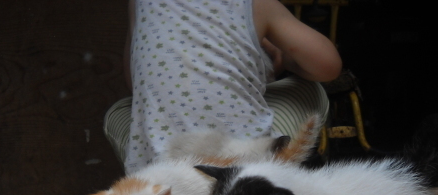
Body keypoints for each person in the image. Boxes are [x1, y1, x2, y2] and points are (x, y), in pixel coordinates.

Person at [105, 0, 342, 173]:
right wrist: (282, 59)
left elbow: (135, 83)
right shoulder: (252, 4)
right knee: (311, 89)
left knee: (123, 111)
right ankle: (278, 171)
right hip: (244, 186)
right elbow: (328, 66)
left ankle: (147, 164)